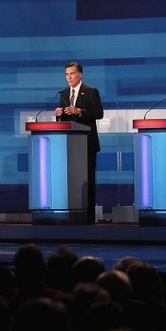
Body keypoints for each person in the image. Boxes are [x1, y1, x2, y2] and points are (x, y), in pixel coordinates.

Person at [54, 62, 104, 224]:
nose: (69, 77)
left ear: (80, 74)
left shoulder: (91, 91)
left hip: (87, 144)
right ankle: (72, 216)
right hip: (70, 146)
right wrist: (59, 115)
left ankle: (88, 218)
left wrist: (80, 111)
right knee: (71, 181)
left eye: (72, 74)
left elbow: (99, 113)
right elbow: (66, 121)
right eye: (67, 74)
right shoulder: (63, 93)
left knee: (87, 181)